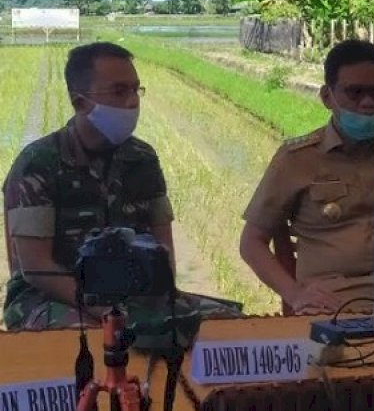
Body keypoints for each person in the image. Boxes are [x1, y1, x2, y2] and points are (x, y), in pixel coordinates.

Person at [3, 42, 240, 330]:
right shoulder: (38, 163)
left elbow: (162, 244)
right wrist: (104, 311)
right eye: (119, 91)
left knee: (228, 327)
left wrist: (162, 301)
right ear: (80, 102)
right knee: (94, 342)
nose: (132, 102)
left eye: (135, 89)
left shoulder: (142, 158)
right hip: (50, 297)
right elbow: (36, 268)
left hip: (133, 294)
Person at [240, 40, 374, 315]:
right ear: (327, 97)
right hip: (332, 305)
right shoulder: (297, 159)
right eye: (355, 93)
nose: (367, 103)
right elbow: (251, 242)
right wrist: (295, 294)